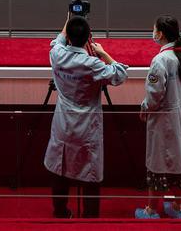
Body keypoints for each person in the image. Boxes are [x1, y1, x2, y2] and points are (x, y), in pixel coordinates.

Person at [44, 14, 128, 218]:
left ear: (69, 37)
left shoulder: (57, 55)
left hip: (63, 124)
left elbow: (59, 40)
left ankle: (60, 212)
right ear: (89, 36)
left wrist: (69, 18)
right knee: (90, 173)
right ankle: (90, 218)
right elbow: (119, 75)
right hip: (87, 127)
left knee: (59, 169)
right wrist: (103, 53)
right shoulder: (92, 63)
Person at [135, 15, 181, 219]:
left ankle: (151, 210)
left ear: (160, 33)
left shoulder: (160, 60)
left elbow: (154, 96)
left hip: (163, 122)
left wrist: (145, 107)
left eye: (154, 29)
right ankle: (177, 207)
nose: (153, 32)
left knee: (158, 163)